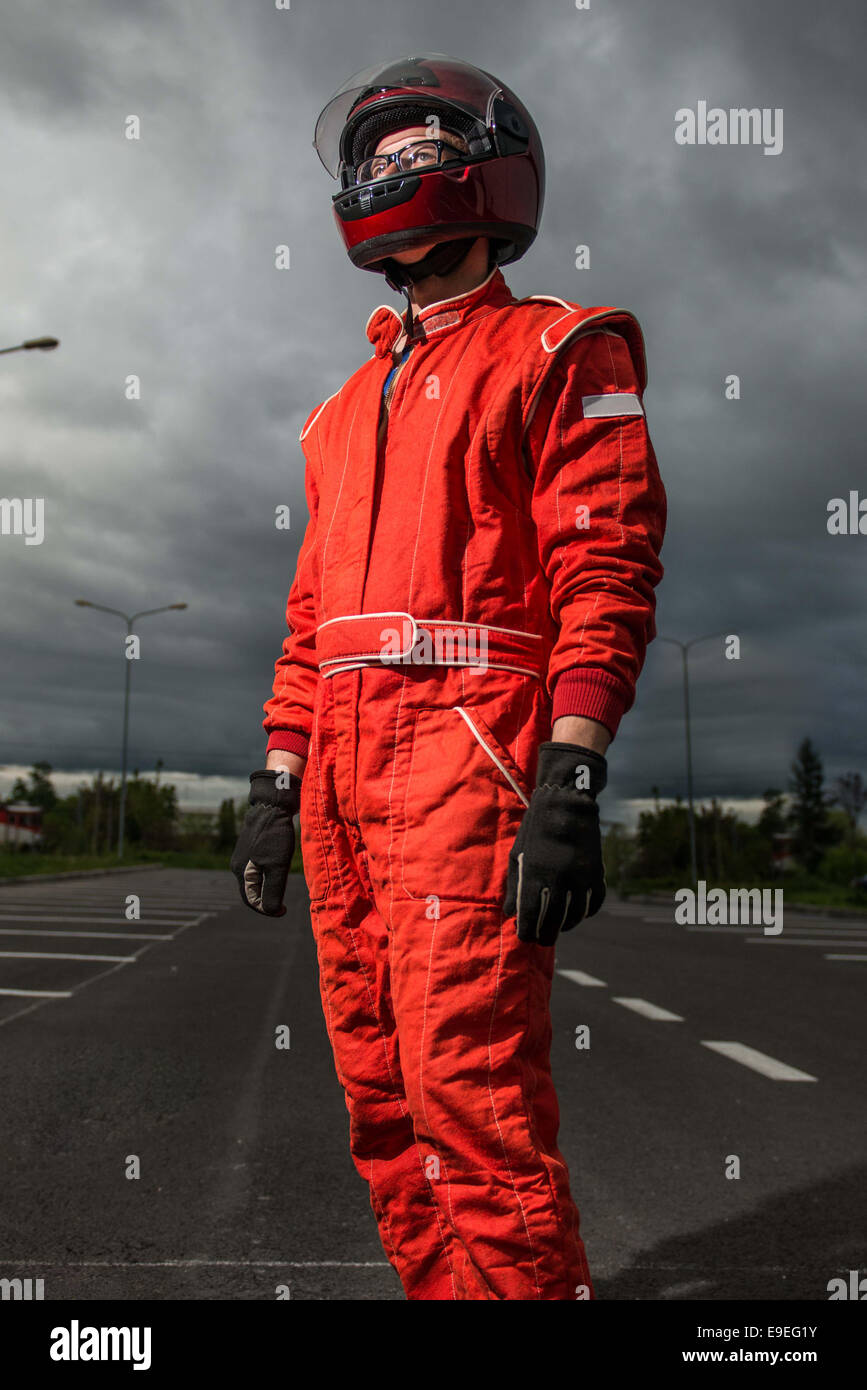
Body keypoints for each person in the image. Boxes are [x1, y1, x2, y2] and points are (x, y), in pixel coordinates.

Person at [232, 54, 666, 1300]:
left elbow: (607, 570)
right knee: (383, 1116)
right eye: (374, 160)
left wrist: (571, 773)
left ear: (487, 173)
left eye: (417, 150)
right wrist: (277, 780)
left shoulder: (564, 351)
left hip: (468, 768)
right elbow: (312, 624)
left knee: (474, 1115)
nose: (389, 173)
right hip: (342, 790)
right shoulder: (337, 415)